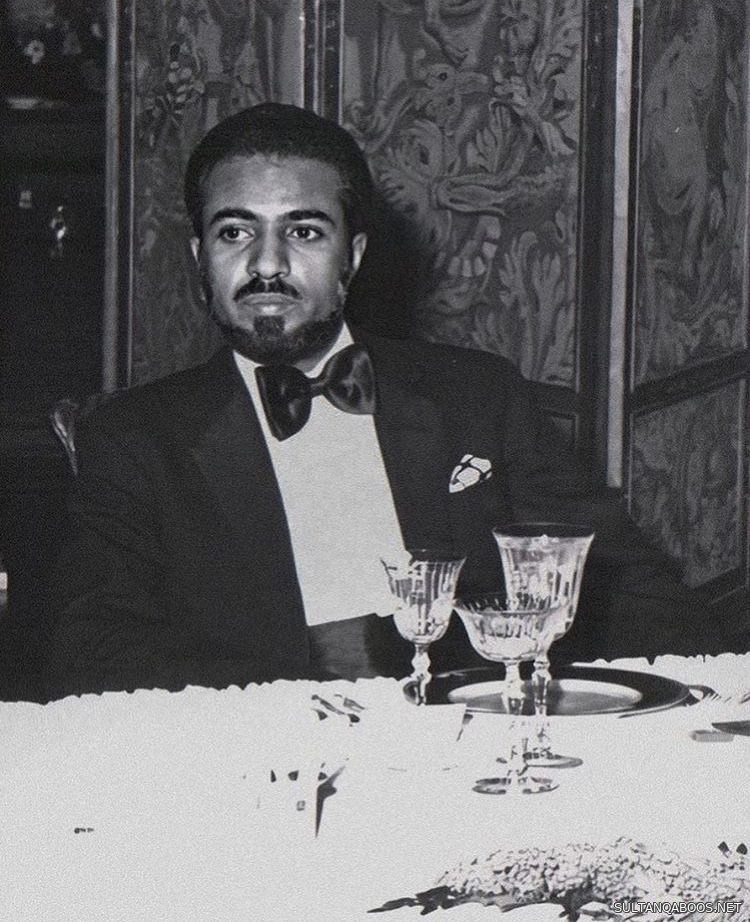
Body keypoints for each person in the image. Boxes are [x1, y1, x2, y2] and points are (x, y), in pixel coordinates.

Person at [44, 103, 724, 699]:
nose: (267, 264)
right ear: (199, 254)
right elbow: (92, 660)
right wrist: (319, 664)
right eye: (235, 232)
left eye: (304, 231)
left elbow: (630, 590)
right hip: (262, 761)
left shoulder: (478, 396)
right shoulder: (134, 438)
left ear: (355, 254)